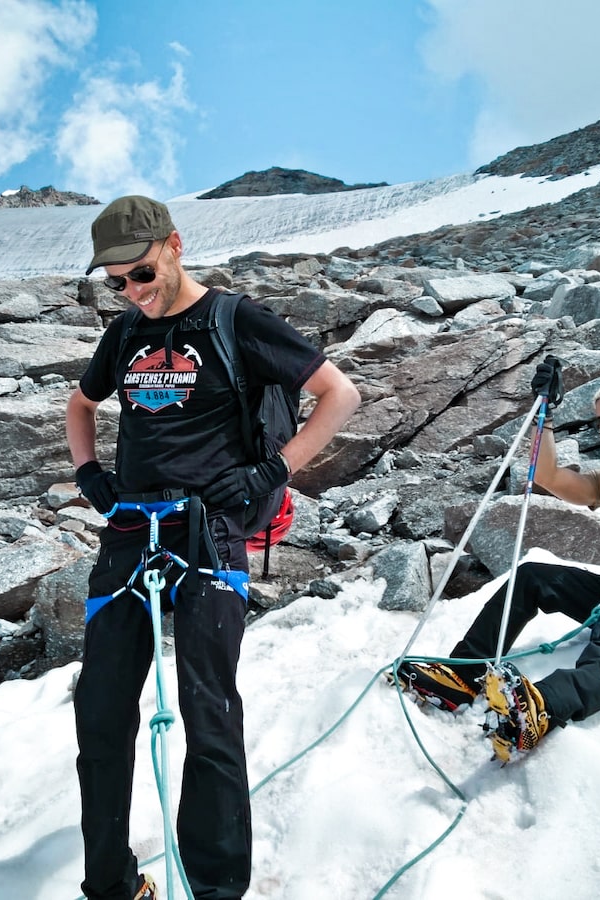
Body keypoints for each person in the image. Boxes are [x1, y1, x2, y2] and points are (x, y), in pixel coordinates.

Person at [66, 196, 360, 899]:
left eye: (140, 273)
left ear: (173, 245)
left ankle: (217, 889)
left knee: (209, 714)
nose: (132, 292)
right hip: (130, 530)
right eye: (115, 283)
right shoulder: (127, 333)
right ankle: (109, 885)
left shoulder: (236, 320)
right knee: (101, 711)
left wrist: (273, 470)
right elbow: (81, 404)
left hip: (211, 529)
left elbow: (339, 393)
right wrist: (88, 476)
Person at [397, 363, 600, 762]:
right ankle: (464, 675)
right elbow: (549, 475)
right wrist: (546, 415)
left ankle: (542, 709)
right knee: (532, 577)